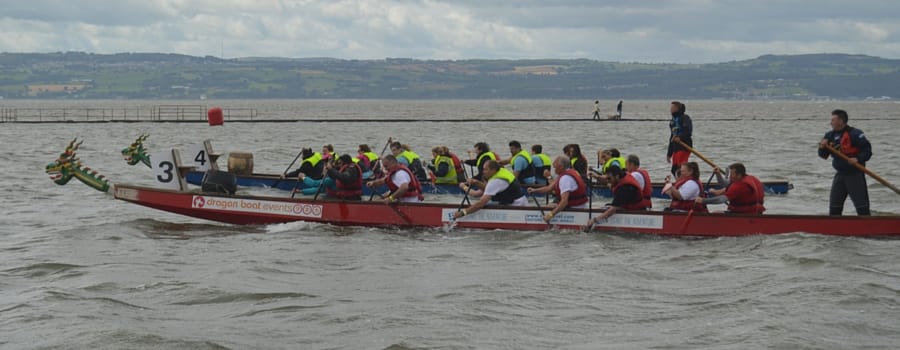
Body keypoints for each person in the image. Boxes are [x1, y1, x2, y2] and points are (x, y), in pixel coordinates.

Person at [818, 109, 872, 216]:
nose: (831, 122)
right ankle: (834, 229)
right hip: (840, 175)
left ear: (841, 121)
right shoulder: (829, 135)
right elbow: (823, 155)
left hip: (855, 174)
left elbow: (867, 151)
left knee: (862, 209)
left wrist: (857, 159)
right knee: (834, 209)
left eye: (833, 120)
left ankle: (868, 229)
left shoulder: (855, 133)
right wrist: (822, 147)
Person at [453, 160, 528, 219]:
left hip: (516, 205)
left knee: (482, 205)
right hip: (521, 201)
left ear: (493, 170)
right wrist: (476, 182)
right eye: (483, 169)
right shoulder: (502, 171)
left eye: (486, 170)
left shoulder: (495, 181)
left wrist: (463, 213)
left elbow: (481, 203)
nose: (483, 172)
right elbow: (488, 189)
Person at [527, 155, 590, 222]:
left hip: (575, 208)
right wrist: (535, 190)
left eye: (555, 167)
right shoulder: (570, 172)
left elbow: (564, 202)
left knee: (548, 207)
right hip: (576, 204)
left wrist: (551, 215)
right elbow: (549, 188)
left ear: (561, 167)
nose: (554, 169)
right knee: (549, 205)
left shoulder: (565, 179)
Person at [696, 163, 765, 214]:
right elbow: (724, 183)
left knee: (715, 213)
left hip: (746, 213)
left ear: (739, 175)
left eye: (732, 174)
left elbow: (721, 199)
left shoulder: (740, 186)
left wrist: (703, 201)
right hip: (755, 211)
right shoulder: (749, 178)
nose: (729, 176)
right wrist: (718, 174)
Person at [667, 101, 693, 177]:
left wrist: (680, 137)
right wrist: (669, 154)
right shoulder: (673, 121)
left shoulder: (685, 118)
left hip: (684, 146)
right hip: (676, 147)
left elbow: (688, 131)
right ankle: (679, 183)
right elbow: (672, 137)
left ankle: (685, 182)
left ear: (677, 108)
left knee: (681, 169)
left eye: (672, 107)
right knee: (674, 169)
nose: (670, 109)